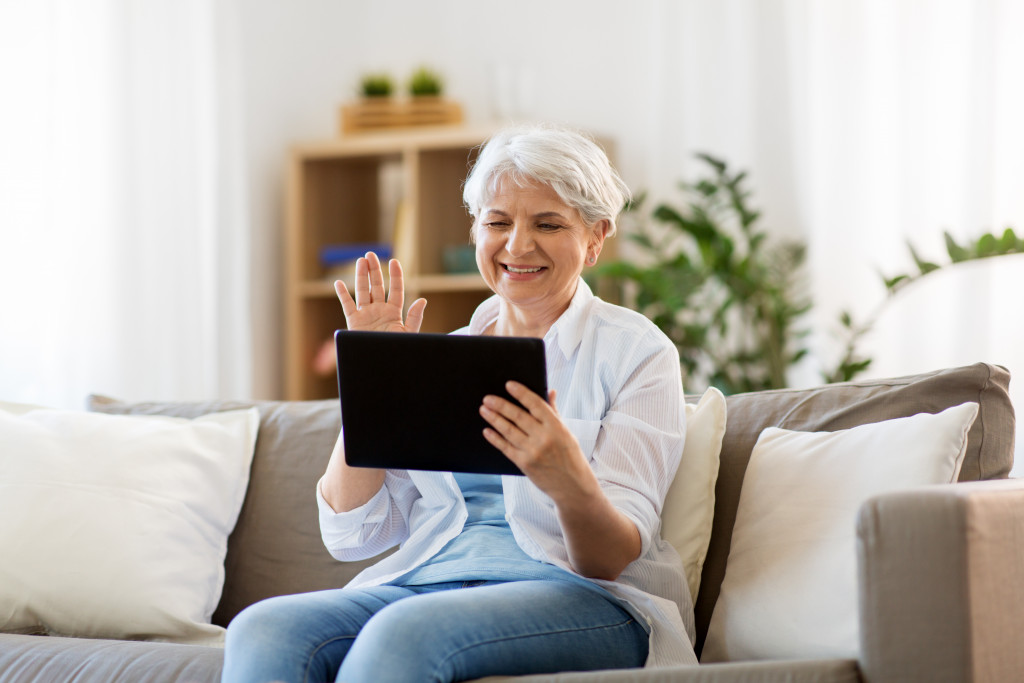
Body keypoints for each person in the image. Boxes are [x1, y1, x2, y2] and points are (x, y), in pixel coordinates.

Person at [222, 124, 697, 683]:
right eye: (497, 223)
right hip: (430, 582)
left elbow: (608, 560)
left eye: (548, 223)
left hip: (583, 598)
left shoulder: (636, 351)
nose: (518, 245)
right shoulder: (446, 357)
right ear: (475, 231)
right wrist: (374, 380)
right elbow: (353, 534)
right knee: (264, 628)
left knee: (407, 633)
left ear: (596, 237)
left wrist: (564, 477)